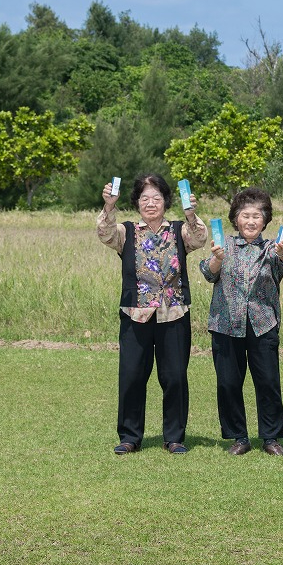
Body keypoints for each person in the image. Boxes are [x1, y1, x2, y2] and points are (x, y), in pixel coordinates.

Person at [97, 173, 207, 455]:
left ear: (166, 201)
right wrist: (109, 206)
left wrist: (192, 214)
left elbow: (200, 239)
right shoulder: (126, 231)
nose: (150, 203)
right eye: (144, 198)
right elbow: (105, 234)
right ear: (136, 202)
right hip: (136, 313)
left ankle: (174, 437)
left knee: (174, 377)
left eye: (156, 198)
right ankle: (129, 437)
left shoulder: (180, 229)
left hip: (174, 313)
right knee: (132, 375)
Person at [199, 187, 283, 456]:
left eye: (257, 216)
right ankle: (238, 437)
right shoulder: (224, 244)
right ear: (236, 219)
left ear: (265, 221)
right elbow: (207, 272)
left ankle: (271, 437)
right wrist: (217, 260)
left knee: (268, 382)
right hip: (225, 323)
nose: (251, 221)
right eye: (245, 216)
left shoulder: (273, 248)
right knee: (228, 382)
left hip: (263, 323)